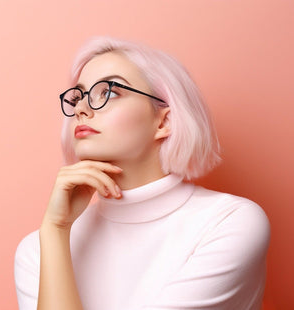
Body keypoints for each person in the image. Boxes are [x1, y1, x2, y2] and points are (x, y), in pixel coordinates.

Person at [14, 36, 270, 310]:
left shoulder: (228, 223)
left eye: (109, 92)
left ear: (164, 121)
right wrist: (55, 231)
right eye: (78, 97)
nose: (81, 109)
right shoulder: (40, 249)